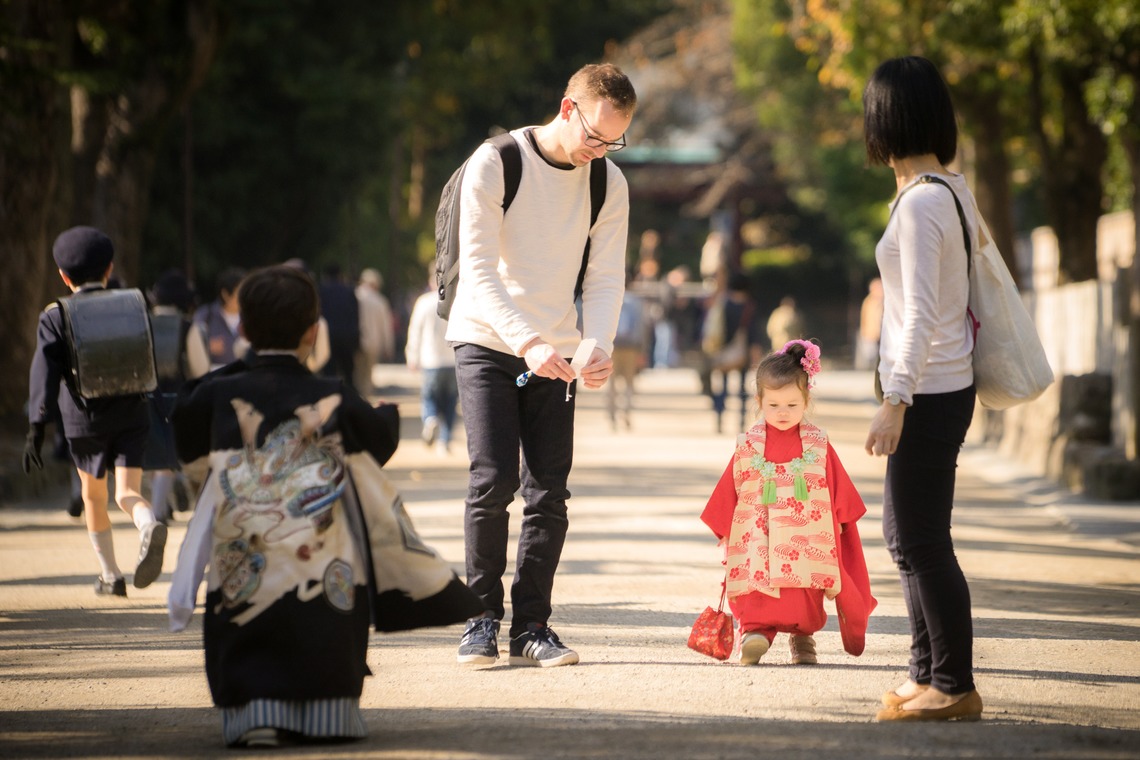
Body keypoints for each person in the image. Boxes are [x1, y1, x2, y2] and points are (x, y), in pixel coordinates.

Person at [168, 265, 481, 748]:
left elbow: (186, 441)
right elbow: (376, 441)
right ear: (313, 332)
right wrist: (386, 415)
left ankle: (252, 715)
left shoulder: (215, 393)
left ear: (245, 330)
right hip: (322, 546)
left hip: (245, 536)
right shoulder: (330, 396)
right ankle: (329, 712)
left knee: (240, 604)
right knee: (328, 611)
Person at [445, 62, 637, 667]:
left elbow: (606, 277)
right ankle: (480, 621)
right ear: (566, 108)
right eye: (595, 135)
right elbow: (477, 269)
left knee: (549, 491)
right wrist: (527, 342)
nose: (599, 150)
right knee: (493, 479)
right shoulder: (496, 162)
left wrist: (597, 343)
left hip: (556, 349)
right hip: (487, 338)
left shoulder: (608, 183)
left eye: (614, 141)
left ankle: (532, 628)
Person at [862, 55, 983, 722]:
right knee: (906, 536)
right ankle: (925, 669)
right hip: (940, 384)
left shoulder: (923, 202)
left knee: (922, 541)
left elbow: (921, 315)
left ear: (885, 120)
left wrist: (895, 399)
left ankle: (953, 684)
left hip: (931, 389)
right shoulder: (943, 190)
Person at [700, 340, 874, 665]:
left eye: (793, 405)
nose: (783, 413)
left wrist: (839, 522)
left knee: (803, 592)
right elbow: (729, 490)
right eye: (774, 405)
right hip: (757, 536)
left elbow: (838, 490)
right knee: (756, 588)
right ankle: (754, 633)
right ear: (759, 401)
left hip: (807, 536)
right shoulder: (748, 446)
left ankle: (802, 636)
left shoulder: (818, 445)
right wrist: (726, 531)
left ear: (806, 400)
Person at [22, 226, 167, 597]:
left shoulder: (56, 314)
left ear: (63, 276)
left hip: (84, 419)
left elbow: (45, 370)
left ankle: (111, 575)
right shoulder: (133, 303)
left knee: (93, 495)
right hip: (133, 410)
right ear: (109, 268)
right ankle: (148, 523)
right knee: (128, 492)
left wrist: (37, 423)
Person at [145, 269, 207, 523]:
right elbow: (200, 369)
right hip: (176, 397)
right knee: (169, 457)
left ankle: (161, 506)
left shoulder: (141, 322)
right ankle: (160, 509)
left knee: (152, 457)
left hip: (143, 396)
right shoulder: (187, 327)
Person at [701, 270, 762, 434]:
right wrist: (755, 353)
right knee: (743, 388)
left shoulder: (723, 303)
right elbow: (753, 332)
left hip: (723, 351)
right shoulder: (749, 305)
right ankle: (741, 422)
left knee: (723, 387)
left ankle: (720, 420)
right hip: (742, 352)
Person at [405, 267, 458, 454]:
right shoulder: (455, 301)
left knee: (429, 397)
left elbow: (415, 331)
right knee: (450, 402)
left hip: (430, 360)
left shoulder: (423, 302)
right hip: (452, 359)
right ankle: (445, 440)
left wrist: (412, 356)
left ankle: (430, 419)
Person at [607, 274, 652, 431]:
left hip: (612, 346)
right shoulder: (637, 302)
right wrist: (643, 350)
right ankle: (626, 413)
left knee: (612, 384)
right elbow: (642, 327)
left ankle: (612, 415)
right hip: (631, 347)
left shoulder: (609, 299)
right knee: (629, 384)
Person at [192, 267, 246, 370]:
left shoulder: (250, 317)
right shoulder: (206, 315)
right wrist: (207, 346)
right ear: (225, 294)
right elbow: (192, 346)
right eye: (239, 292)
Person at [354, 268, 395, 397]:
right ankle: (364, 404)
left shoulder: (355, 296)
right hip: (373, 344)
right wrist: (388, 347)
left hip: (356, 342)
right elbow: (386, 327)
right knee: (367, 379)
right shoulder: (380, 301)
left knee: (356, 376)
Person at [318, 263, 361, 386]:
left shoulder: (322, 291)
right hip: (347, 338)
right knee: (348, 375)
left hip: (327, 338)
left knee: (329, 375)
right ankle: (349, 402)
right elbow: (355, 316)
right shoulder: (349, 291)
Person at [855, 278, 884, 371]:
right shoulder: (871, 302)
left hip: (875, 335)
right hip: (870, 335)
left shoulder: (878, 302)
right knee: (870, 357)